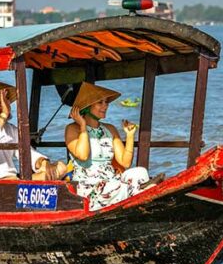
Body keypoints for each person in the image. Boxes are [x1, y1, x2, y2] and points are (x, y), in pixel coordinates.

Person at [64, 82, 157, 210]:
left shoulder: (110, 129)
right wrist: (83, 127)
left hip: (112, 181)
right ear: (87, 106)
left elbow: (125, 162)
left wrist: (130, 136)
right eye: (100, 102)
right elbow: (83, 155)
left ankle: (142, 192)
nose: (105, 106)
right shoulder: (72, 129)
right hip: (90, 189)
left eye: (106, 102)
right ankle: (145, 192)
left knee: (141, 172)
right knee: (116, 186)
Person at [0, 78, 67, 181]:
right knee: (16, 181)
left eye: (6, 97)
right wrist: (4, 114)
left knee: (61, 167)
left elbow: (28, 154)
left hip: (12, 181)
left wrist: (43, 162)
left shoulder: (10, 129)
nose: (5, 102)